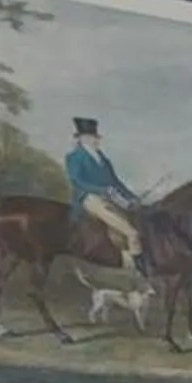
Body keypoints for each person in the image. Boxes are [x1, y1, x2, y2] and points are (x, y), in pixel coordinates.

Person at [64, 117, 149, 275]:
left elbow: (116, 182)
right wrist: (102, 190)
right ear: (82, 139)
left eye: (96, 137)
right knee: (132, 233)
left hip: (109, 198)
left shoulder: (103, 160)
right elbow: (77, 181)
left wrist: (131, 197)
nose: (96, 140)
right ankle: (140, 270)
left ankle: (128, 261)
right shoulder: (74, 157)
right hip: (89, 199)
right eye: (92, 137)